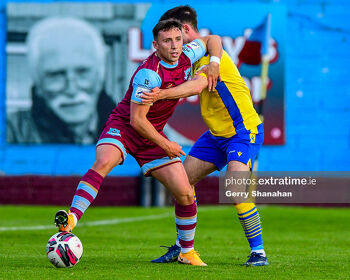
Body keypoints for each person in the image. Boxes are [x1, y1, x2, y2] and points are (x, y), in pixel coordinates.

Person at [54, 19, 223, 266]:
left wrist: (215, 63)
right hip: (125, 127)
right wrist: (166, 145)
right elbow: (137, 120)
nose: (175, 46)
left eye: (177, 39)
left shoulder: (187, 53)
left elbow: (212, 40)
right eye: (167, 41)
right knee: (104, 160)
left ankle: (186, 252)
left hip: (151, 133)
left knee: (185, 192)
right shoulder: (149, 73)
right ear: (155, 45)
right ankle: (71, 219)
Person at [142, 6, 268, 266]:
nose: (173, 44)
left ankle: (258, 252)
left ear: (186, 31)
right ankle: (182, 247)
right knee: (181, 183)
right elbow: (212, 40)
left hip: (242, 132)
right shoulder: (198, 56)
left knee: (233, 187)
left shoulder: (209, 57)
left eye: (176, 36)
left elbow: (198, 84)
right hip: (215, 136)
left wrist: (160, 94)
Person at [7, 17, 115, 144]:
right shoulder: (11, 134)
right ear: (38, 83)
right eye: (56, 75)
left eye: (82, 72)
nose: (71, 89)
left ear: (100, 76)